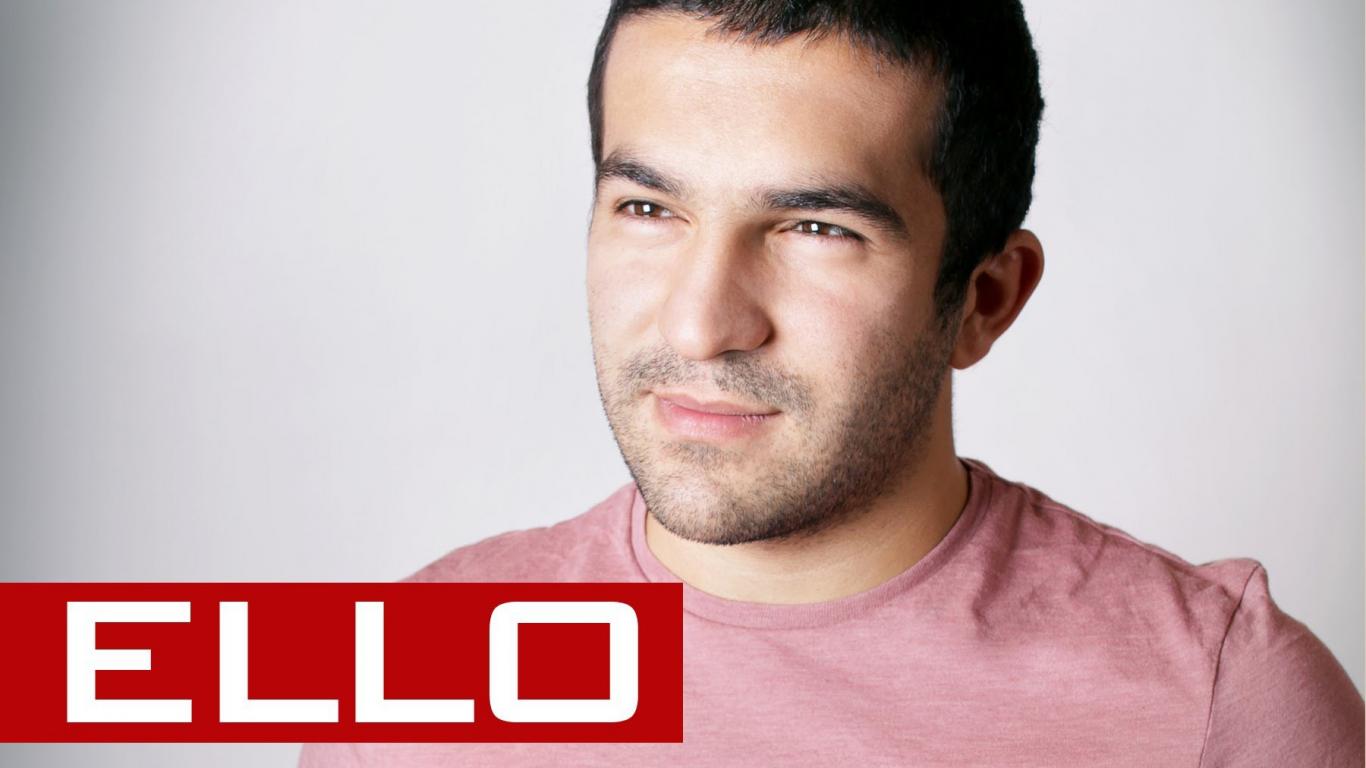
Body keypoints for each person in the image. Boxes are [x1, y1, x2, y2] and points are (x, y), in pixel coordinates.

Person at [300, 1, 1364, 765]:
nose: (699, 323)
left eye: (815, 228)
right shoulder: (412, 667)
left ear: (986, 299)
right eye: (648, 209)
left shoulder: (1221, 701)